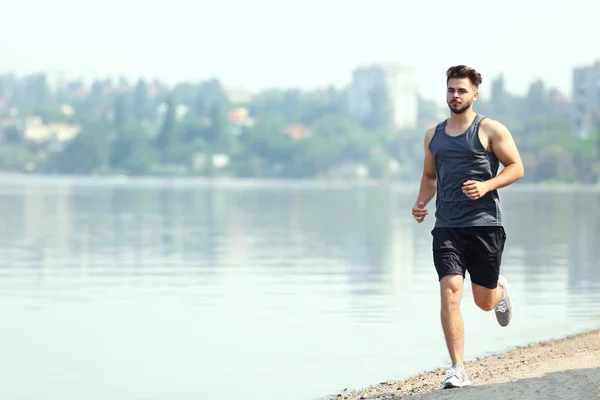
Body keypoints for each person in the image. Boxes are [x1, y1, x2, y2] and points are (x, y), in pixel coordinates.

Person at [411, 65, 524, 389]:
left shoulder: (490, 130)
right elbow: (430, 176)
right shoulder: (434, 134)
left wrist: (487, 186)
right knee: (450, 290)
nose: (455, 95)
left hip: (485, 225)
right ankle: (457, 368)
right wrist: (422, 203)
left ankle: (499, 291)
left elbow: (516, 167)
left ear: (474, 94)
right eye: (451, 90)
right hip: (447, 225)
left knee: (483, 301)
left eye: (462, 90)